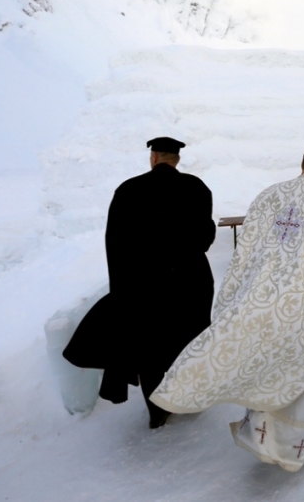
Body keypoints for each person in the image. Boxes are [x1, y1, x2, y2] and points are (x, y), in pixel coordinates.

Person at [150, 142, 304, 472]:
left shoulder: (269, 196)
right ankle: (300, 444)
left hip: (265, 304)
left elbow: (247, 255)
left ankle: (260, 436)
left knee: (266, 367)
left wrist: (246, 297)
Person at [63, 137, 216, 429]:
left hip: (145, 286)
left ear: (154, 157)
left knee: (151, 347)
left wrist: (121, 288)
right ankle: (191, 396)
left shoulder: (128, 190)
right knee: (190, 339)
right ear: (176, 159)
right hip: (191, 281)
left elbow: (115, 244)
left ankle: (158, 410)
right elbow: (205, 237)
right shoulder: (196, 188)